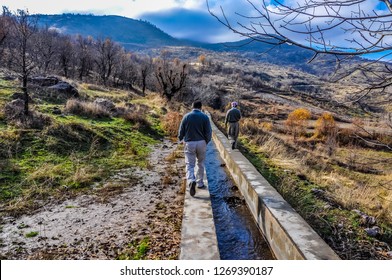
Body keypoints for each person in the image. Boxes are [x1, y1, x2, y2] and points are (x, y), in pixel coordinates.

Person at [178, 101, 212, 197]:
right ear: (201, 107)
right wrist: (206, 141)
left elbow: (181, 131)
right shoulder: (205, 117)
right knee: (200, 163)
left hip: (189, 142)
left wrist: (180, 138)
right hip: (201, 142)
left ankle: (191, 180)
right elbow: (209, 132)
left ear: (192, 106)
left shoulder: (186, 116)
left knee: (190, 164)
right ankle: (200, 183)